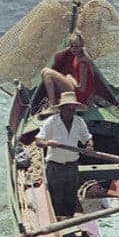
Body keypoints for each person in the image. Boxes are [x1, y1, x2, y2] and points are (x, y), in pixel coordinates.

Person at [34, 90, 94, 218]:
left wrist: (89, 146)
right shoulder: (51, 122)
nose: (70, 113)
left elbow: (87, 137)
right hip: (55, 166)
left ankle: (69, 219)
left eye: (73, 110)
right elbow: (38, 141)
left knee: (71, 195)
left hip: (72, 166)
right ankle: (56, 219)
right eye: (68, 110)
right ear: (61, 109)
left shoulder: (79, 122)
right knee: (55, 196)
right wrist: (48, 143)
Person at [40, 29, 95, 111]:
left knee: (47, 73)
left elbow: (82, 88)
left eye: (76, 47)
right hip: (79, 92)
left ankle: (53, 105)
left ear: (81, 46)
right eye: (71, 46)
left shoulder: (82, 63)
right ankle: (53, 102)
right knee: (44, 71)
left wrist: (70, 79)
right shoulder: (82, 52)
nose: (73, 49)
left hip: (80, 96)